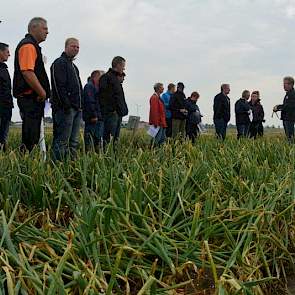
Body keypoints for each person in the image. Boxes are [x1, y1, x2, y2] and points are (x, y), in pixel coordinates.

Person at [13, 17, 50, 153]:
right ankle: (26, 166)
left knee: (33, 136)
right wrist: (42, 92)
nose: (48, 32)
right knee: (30, 138)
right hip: (30, 99)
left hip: (32, 99)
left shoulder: (31, 45)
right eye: (45, 28)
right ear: (34, 28)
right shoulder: (28, 46)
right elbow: (27, 72)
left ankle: (28, 164)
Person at [50, 38, 83, 160]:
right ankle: (57, 166)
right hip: (65, 109)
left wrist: (80, 105)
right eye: (73, 46)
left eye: (78, 47)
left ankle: (71, 165)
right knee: (62, 140)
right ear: (66, 47)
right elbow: (59, 86)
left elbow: (78, 88)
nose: (76, 49)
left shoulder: (73, 66)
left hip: (76, 108)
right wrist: (67, 106)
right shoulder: (59, 63)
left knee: (73, 141)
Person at [99, 56, 128, 144]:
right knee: (109, 138)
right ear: (118, 65)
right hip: (111, 114)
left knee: (115, 139)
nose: (124, 68)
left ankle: (113, 156)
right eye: (123, 66)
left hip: (117, 113)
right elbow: (105, 97)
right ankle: (107, 155)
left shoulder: (116, 79)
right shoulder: (107, 78)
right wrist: (112, 109)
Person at [82, 70, 103, 152]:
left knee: (96, 141)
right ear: (96, 77)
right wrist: (93, 115)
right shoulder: (89, 87)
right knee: (90, 141)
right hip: (92, 119)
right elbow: (89, 102)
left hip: (96, 118)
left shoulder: (94, 87)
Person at [0, 43, 13, 151]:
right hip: (2, 107)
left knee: (3, 135)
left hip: (6, 106)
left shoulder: (4, 68)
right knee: (2, 135)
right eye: (7, 52)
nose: (9, 55)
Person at [273, 76, 295, 142]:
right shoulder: (288, 94)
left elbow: (289, 106)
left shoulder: (292, 94)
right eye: (284, 84)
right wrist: (278, 107)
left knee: (290, 137)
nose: (284, 85)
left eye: (285, 84)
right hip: (286, 118)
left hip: (290, 118)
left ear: (291, 84)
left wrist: (278, 107)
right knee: (289, 137)